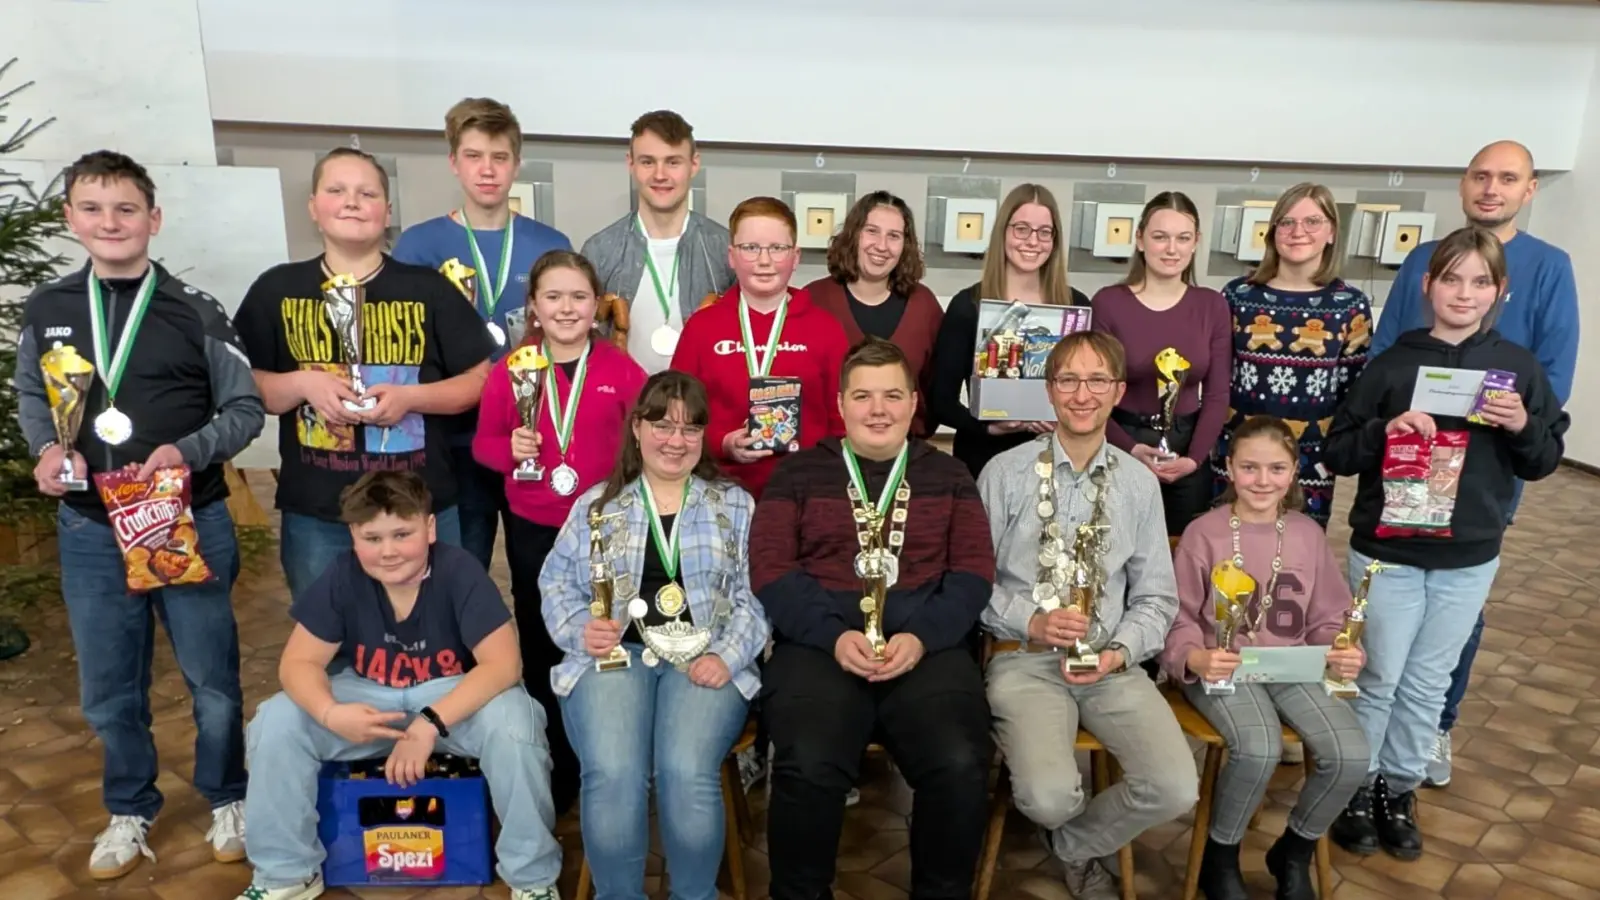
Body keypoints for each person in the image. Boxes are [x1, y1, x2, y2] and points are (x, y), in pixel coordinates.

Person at [14, 150, 265, 880]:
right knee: (108, 686)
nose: (110, 222)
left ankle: (230, 794)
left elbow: (245, 408)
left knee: (212, 679)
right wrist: (43, 450)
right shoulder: (51, 309)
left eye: (126, 208)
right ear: (70, 220)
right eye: (92, 209)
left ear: (153, 219)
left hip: (187, 521)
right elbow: (33, 395)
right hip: (92, 530)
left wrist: (186, 452)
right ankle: (129, 806)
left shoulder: (195, 309)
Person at [1323, 227, 1567, 861]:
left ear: (1499, 292)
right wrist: (1385, 428)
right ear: (1427, 286)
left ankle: (1399, 791)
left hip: (1468, 556)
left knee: (1429, 683)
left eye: (1480, 282)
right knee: (1376, 676)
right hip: (1388, 551)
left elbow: (1542, 461)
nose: (1464, 293)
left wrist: (1521, 423)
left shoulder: (1517, 369)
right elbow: (1340, 452)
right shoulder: (1392, 365)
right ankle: (1355, 787)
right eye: (1451, 279)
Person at [235, 471, 562, 900]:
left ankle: (531, 877)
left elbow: (503, 665)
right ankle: (287, 873)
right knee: (274, 722)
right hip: (368, 695)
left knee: (516, 722)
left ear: (429, 528)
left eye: (401, 534)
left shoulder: (459, 570)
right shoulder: (343, 574)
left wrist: (428, 724)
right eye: (372, 538)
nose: (388, 551)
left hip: (447, 694)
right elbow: (298, 662)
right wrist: (331, 714)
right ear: (353, 535)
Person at [750, 337, 995, 900]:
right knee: (807, 765)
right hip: (820, 651)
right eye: (862, 396)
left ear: (914, 403)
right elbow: (771, 570)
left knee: (959, 764)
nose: (877, 409)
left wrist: (922, 636)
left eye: (891, 395)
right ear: (840, 405)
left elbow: (973, 574)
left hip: (925, 652)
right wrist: (833, 637)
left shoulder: (951, 476)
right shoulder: (798, 475)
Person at [1370, 140, 1579, 789]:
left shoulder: (1549, 266)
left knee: (1455, 612)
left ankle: (1434, 727)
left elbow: (1551, 378)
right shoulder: (1419, 261)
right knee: (1388, 609)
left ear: (1529, 189)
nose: (1492, 188)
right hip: (1406, 469)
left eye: (1507, 178)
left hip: (1486, 473)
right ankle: (1369, 745)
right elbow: (1388, 355)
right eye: (1481, 176)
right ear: (1464, 184)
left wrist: (1494, 413)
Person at [978, 330, 1197, 900]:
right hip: (1025, 660)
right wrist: (1030, 621)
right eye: (1068, 380)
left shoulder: (1139, 483)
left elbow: (1156, 598)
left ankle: (1072, 845)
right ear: (1049, 391)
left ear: (1118, 391)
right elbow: (971, 585)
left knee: (1176, 789)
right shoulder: (1003, 474)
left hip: (1111, 664)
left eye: (1097, 380)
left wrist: (1119, 651)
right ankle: (1063, 825)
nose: (1082, 394)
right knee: (1049, 796)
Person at [537, 370, 770, 900]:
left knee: (686, 771)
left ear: (704, 436)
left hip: (704, 659)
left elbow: (758, 596)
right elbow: (553, 582)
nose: (675, 440)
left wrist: (729, 657)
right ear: (637, 428)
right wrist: (580, 630)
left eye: (690, 429)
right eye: (662, 424)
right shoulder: (597, 506)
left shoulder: (734, 505)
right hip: (616, 656)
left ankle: (696, 895)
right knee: (615, 774)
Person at [234, 146, 495, 599]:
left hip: (419, 505)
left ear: (387, 211)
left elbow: (480, 380)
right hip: (320, 512)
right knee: (329, 640)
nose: (352, 202)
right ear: (314, 207)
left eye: (367, 193)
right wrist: (300, 383)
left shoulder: (428, 289)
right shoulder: (276, 289)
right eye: (336, 190)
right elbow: (248, 386)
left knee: (438, 639)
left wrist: (411, 399)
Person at [1161, 415, 1370, 900]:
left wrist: (1341, 646)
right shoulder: (1203, 534)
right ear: (1229, 469)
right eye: (1250, 468)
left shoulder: (1306, 535)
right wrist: (1192, 656)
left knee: (1351, 755)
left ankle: (1293, 850)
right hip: (1221, 668)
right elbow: (1178, 614)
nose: (1262, 480)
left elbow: (1329, 614)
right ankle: (1221, 854)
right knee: (1259, 747)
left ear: (1294, 472)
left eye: (1276, 468)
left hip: (1292, 664)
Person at [473, 249, 646, 815]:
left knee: (613, 633)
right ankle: (559, 761)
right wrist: (511, 449)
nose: (567, 308)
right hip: (535, 528)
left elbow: (644, 444)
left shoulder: (622, 371)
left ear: (597, 305)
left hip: (607, 529)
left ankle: (617, 753)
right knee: (545, 640)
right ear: (534, 306)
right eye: (554, 297)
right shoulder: (513, 369)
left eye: (578, 296)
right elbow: (483, 445)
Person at [392, 97, 574, 571]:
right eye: (474, 156)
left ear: (516, 164)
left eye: (499, 157)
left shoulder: (550, 246)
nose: (487, 170)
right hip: (454, 440)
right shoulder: (419, 245)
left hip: (533, 437)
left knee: (541, 575)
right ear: (454, 162)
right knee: (458, 571)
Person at [1214, 183, 1372, 529]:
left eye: (1312, 222)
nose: (1298, 232)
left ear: (1331, 231)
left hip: (1309, 459)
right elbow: (1217, 377)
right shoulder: (1237, 295)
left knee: (1296, 559)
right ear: (1272, 233)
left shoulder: (1349, 304)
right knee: (1227, 554)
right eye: (1286, 223)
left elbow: (1353, 390)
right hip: (1238, 455)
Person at [669, 196, 848, 499]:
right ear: (731, 256)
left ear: (796, 256)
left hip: (806, 494)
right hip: (717, 492)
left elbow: (843, 421)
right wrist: (722, 443)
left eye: (777, 248)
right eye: (750, 248)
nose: (764, 261)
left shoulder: (826, 330)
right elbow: (677, 412)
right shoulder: (702, 328)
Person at [1091, 191, 1231, 537]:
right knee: (1115, 549)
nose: (1172, 249)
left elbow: (1216, 394)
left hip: (1188, 448)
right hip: (1122, 441)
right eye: (1160, 237)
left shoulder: (1211, 305)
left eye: (1183, 238)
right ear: (1140, 239)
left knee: (1181, 556)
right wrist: (1131, 448)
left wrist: (1195, 459)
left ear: (1196, 242)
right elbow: (1094, 391)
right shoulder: (1110, 303)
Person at [928, 183, 1090, 479]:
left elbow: (1089, 386)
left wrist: (1068, 420)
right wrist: (988, 427)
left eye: (1044, 232)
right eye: (1021, 229)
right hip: (984, 459)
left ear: (1054, 240)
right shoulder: (968, 306)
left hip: (1059, 457)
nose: (1032, 241)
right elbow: (941, 400)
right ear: (1003, 232)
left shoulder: (1076, 307)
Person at [582, 110, 736, 374]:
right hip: (624, 407)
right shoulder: (599, 251)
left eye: (673, 162)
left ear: (694, 164)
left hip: (701, 406)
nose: (660, 175)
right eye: (648, 162)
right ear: (630, 164)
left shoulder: (724, 249)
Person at [804, 191, 944, 437]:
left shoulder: (924, 306)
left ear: (905, 245)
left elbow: (934, 388)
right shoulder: (814, 300)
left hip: (904, 451)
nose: (881, 246)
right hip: (827, 454)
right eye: (871, 231)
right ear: (853, 235)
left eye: (894, 236)